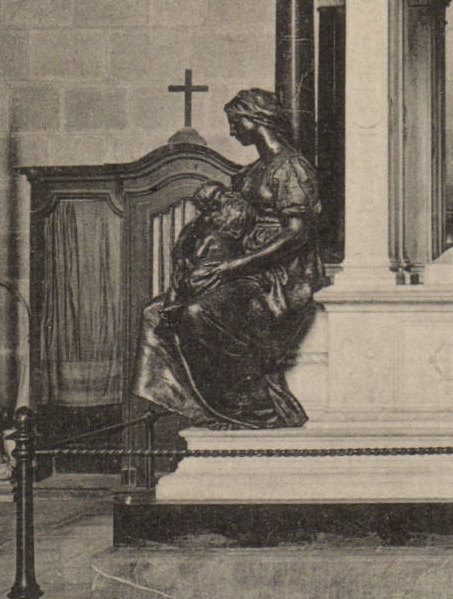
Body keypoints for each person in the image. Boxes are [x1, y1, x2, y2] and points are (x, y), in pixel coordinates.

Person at [134, 89, 323, 430]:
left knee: (198, 313)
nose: (233, 131)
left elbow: (296, 234)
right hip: (241, 267)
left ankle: (256, 410)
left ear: (256, 120)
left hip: (279, 276)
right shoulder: (252, 172)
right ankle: (202, 407)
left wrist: (231, 267)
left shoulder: (290, 167)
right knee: (155, 313)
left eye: (236, 122)